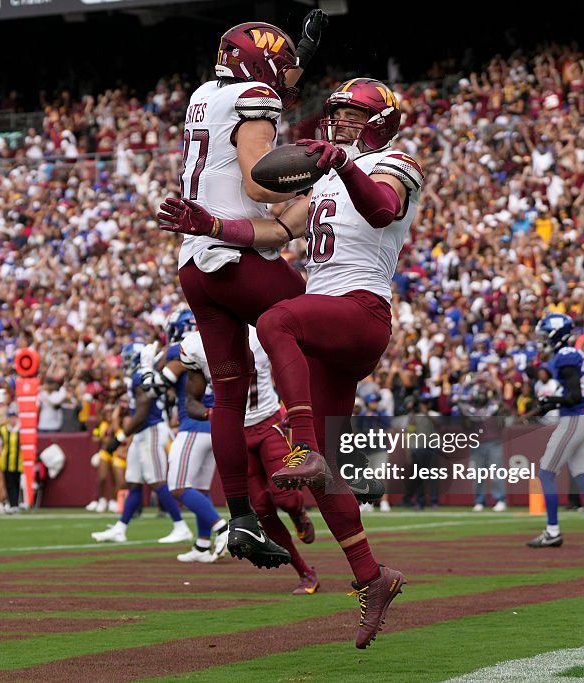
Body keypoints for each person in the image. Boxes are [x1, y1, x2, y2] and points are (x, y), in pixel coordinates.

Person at [160, 76, 416, 648]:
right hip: (327, 324)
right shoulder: (325, 177)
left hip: (360, 310)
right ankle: (373, 577)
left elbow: (381, 210)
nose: (342, 123)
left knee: (277, 321)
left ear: (379, 121)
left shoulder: (396, 162)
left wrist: (343, 165)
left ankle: (300, 448)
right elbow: (277, 228)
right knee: (326, 478)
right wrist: (211, 227)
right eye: (338, 114)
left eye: (354, 116)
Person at [159, 11, 328, 568]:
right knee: (316, 328)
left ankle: (241, 518)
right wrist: (319, 170)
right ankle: (310, 450)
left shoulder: (207, 93)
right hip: (236, 252)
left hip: (194, 264)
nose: (284, 76)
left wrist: (302, 52)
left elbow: (268, 84)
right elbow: (259, 177)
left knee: (228, 393)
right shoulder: (256, 95)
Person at [178, 326, 319, 593]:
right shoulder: (195, 344)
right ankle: (305, 572)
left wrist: (294, 404)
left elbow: (290, 368)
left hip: (269, 423)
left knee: (286, 497)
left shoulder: (258, 331)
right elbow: (191, 402)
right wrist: (214, 416)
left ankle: (298, 514)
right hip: (236, 434)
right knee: (262, 510)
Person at [527, 313, 584, 550]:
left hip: (573, 421)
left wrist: (550, 401)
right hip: (581, 420)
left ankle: (552, 531)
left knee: (546, 473)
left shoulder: (565, 356)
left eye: (546, 335)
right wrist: (552, 401)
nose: (542, 339)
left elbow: (575, 395)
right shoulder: (568, 355)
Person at [91, 341, 192, 545]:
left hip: (151, 430)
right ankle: (120, 529)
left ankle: (181, 527)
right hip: (143, 432)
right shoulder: (139, 377)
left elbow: (142, 413)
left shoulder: (139, 377)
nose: (125, 363)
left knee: (157, 481)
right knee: (134, 482)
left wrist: (119, 438)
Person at [154, 308, 229, 562]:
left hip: (193, 426)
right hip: (214, 422)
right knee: (199, 489)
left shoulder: (179, 349)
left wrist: (150, 366)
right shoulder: (209, 344)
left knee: (177, 487)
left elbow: (160, 383)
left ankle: (223, 529)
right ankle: (201, 544)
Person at [460, 374, 508, 512]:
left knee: (497, 472)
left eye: (482, 393)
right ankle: (479, 500)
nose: (480, 396)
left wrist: (489, 383)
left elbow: (499, 397)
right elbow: (466, 425)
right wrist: (463, 409)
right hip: (477, 443)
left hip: (494, 442)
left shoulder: (493, 407)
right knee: (478, 475)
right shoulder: (471, 409)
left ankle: (500, 499)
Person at [0, 413, 24, 512]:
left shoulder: (20, 430)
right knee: (9, 483)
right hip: (6, 460)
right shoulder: (3, 429)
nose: (12, 420)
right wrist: (1, 456)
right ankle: (12, 504)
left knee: (17, 483)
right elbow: (0, 444)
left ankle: (16, 503)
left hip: (18, 461)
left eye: (14, 417)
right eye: (11, 418)